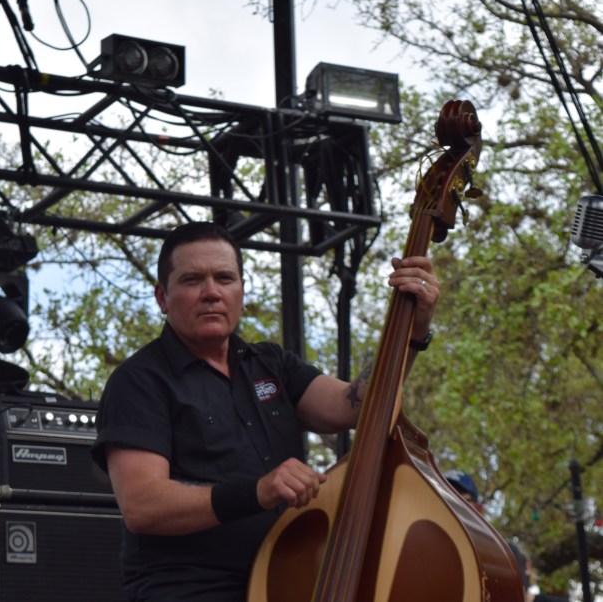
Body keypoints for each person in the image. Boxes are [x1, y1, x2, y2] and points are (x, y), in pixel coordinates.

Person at [91, 222, 440, 601]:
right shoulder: (139, 380)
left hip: (284, 583)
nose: (212, 292)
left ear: (241, 291)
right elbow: (143, 505)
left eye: (225, 278)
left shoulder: (270, 363)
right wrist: (258, 491)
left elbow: (354, 406)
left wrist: (412, 330)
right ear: (163, 297)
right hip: (190, 590)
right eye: (192, 280)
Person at [444, 470, 570, 602]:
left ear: (478, 508)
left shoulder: (502, 553)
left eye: (461, 500)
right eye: (446, 499)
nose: (453, 506)